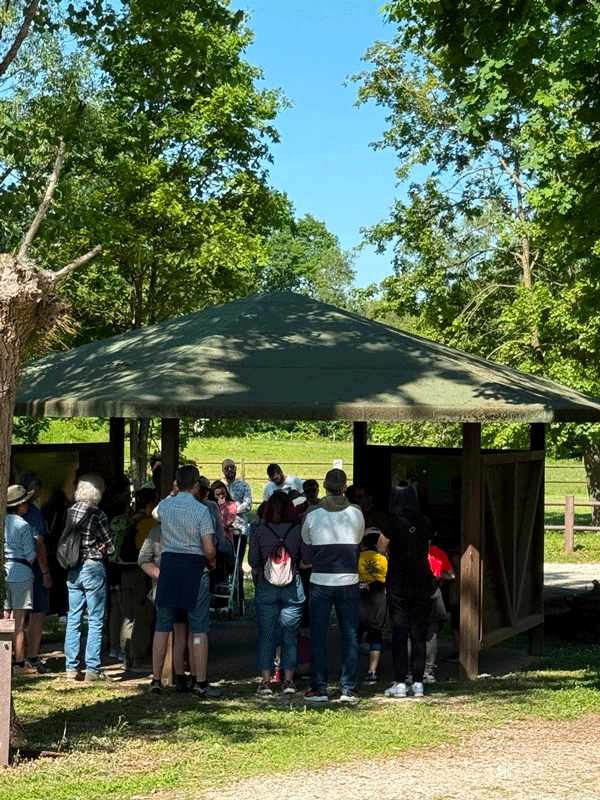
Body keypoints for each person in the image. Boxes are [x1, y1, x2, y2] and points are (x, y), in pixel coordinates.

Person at [149, 465, 218, 697]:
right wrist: (212, 563)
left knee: (163, 627)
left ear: (177, 484)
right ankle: (201, 682)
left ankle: (156, 680)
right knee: (198, 629)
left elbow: (154, 514)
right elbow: (209, 548)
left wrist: (172, 494)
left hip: (169, 567)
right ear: (196, 484)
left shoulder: (166, 506)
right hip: (194, 568)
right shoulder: (201, 511)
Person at [301, 468, 364, 702]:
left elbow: (306, 540)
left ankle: (319, 687)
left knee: (318, 634)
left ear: (324, 486)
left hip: (320, 579)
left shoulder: (312, 513)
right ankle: (348, 687)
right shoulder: (356, 512)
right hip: (348, 580)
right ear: (345, 488)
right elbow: (359, 538)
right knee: (350, 634)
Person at [249, 491, 310, 695]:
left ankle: (266, 682)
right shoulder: (297, 530)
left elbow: (252, 560)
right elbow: (306, 558)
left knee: (266, 636)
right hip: (292, 587)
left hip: (266, 587)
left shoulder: (260, 530)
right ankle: (288, 681)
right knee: (290, 636)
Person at [377, 484, 433, 699]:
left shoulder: (391, 523)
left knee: (399, 632)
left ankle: (400, 682)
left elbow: (381, 547)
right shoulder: (425, 522)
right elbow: (427, 546)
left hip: (398, 582)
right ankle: (418, 682)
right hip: (421, 580)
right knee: (419, 632)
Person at [63, 473, 115, 682]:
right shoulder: (98, 515)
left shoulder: (69, 512)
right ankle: (92, 669)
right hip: (93, 567)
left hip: (73, 568)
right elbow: (110, 547)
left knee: (73, 618)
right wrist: (102, 547)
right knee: (95, 619)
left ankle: (71, 668)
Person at [117, 487, 158, 671]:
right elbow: (147, 553)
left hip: (125, 571)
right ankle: (139, 657)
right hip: (141, 572)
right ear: (150, 505)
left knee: (128, 615)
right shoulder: (150, 524)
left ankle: (126, 655)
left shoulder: (129, 520)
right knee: (143, 615)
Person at [16, 471, 52, 673]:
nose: (40, 487)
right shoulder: (34, 514)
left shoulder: (9, 515)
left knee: (15, 615)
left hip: (11, 569)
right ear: (31, 488)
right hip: (33, 570)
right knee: (36, 613)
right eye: (39, 483)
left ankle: (16, 660)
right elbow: (39, 545)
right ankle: (32, 657)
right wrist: (45, 572)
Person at [4, 485, 38, 676]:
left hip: (4, 570)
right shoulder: (24, 525)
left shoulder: (2, 522)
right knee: (19, 621)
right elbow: (31, 555)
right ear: (20, 505)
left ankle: (5, 659)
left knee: (5, 617)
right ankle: (19, 663)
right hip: (21, 572)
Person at [358, 527, 387, 684]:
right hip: (379, 599)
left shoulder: (358, 557)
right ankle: (372, 673)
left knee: (354, 635)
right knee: (375, 636)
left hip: (360, 599)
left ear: (363, 544)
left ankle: (349, 668)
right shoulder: (384, 559)